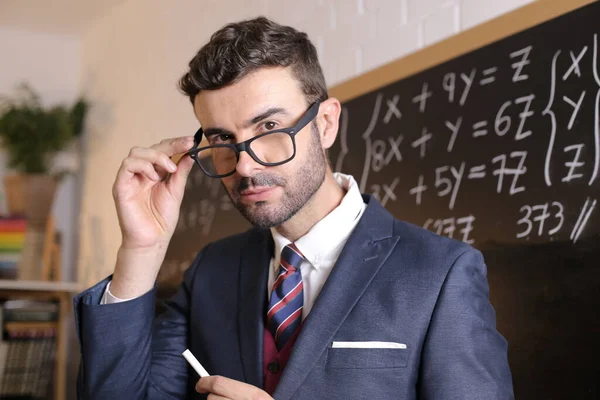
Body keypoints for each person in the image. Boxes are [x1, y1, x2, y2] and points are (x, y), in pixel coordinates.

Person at [74, 17, 514, 400]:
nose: (244, 165)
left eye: (268, 126)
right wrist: (140, 249)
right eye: (223, 139)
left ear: (325, 124)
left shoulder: (441, 273)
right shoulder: (212, 270)